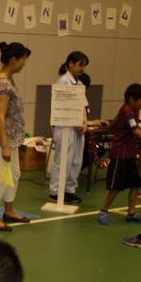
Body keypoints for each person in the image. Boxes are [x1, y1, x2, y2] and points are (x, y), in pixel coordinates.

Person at [0, 41, 32, 231]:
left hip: (10, 139)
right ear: (13, 60)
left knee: (13, 174)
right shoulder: (3, 84)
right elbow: (0, 117)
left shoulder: (5, 79)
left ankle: (9, 210)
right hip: (1, 140)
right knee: (0, 176)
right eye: (23, 60)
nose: (24, 64)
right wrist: (4, 145)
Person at [97, 83, 141, 225]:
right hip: (120, 154)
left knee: (135, 184)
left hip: (130, 154)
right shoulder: (128, 111)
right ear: (132, 99)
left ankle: (132, 213)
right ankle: (104, 210)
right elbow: (135, 131)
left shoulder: (133, 110)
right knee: (116, 186)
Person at [49, 51, 89, 204]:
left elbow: (83, 106)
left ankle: (69, 189)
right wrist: (78, 123)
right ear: (70, 64)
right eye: (80, 65)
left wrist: (84, 123)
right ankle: (55, 191)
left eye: (83, 66)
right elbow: (66, 107)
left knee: (76, 161)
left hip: (78, 129)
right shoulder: (63, 82)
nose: (82, 69)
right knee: (63, 161)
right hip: (65, 127)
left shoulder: (78, 83)